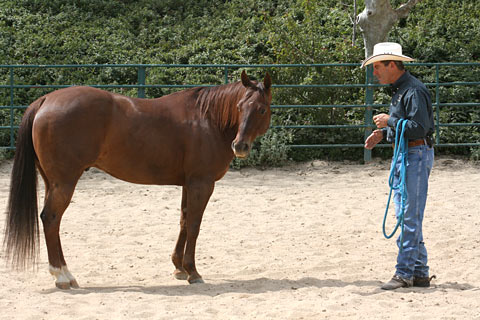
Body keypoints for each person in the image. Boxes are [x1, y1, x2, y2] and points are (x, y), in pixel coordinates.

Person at [362, 42, 435, 290]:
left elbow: (418, 128)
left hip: (414, 154)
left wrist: (389, 120)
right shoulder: (403, 90)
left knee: (408, 216)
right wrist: (384, 133)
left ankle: (404, 273)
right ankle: (420, 272)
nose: (375, 73)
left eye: (377, 67)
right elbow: (408, 126)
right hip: (408, 154)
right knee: (407, 215)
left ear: (392, 65)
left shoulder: (412, 91)